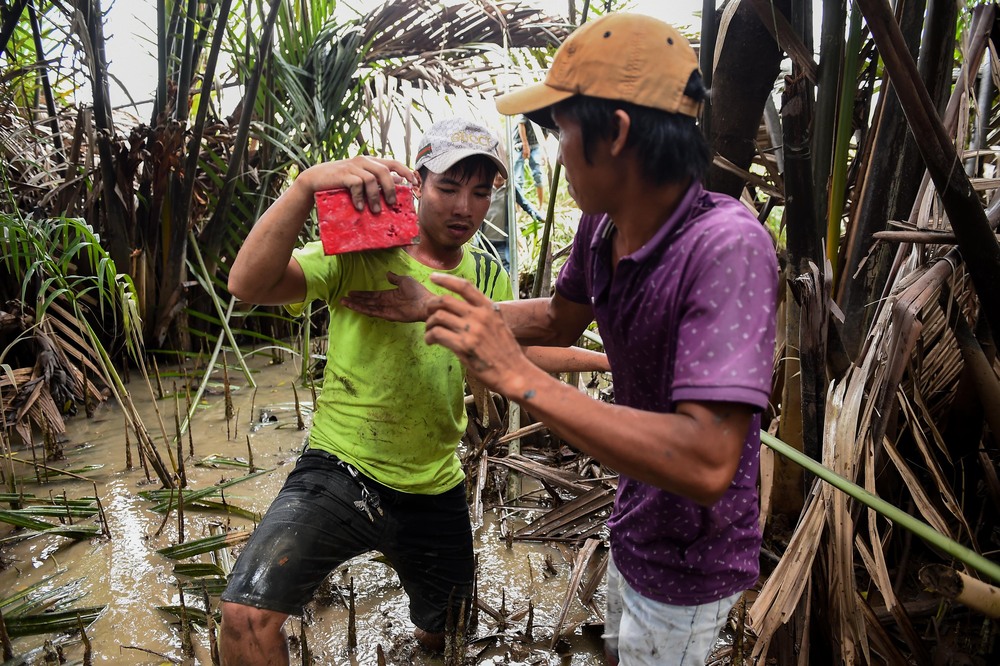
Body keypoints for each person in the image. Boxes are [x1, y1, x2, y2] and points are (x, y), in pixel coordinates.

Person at [345, 14, 778, 666]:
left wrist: (518, 378)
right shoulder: (603, 229)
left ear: (617, 134)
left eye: (563, 134)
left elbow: (708, 461)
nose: (556, 153)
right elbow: (556, 318)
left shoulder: (724, 247)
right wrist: (430, 302)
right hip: (635, 522)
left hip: (693, 558)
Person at [220, 117, 608, 666]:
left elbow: (518, 349)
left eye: (480, 192)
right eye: (448, 187)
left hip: (435, 485)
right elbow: (249, 285)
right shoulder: (362, 250)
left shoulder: (485, 274)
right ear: (417, 183)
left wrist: (609, 359)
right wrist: (306, 186)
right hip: (343, 467)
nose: (464, 207)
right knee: (246, 617)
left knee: (445, 638)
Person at [481, 172, 545, 272]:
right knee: (483, 270)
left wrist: (539, 217)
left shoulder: (511, 189)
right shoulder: (485, 188)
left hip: (502, 242)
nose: (499, 176)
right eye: (496, 173)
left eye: (502, 174)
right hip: (484, 241)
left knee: (504, 270)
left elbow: (525, 204)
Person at [513, 114, 546, 207]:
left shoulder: (546, 113)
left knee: (538, 175)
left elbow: (545, 134)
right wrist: (525, 145)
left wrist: (543, 152)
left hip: (535, 145)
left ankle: (541, 207)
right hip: (519, 143)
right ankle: (518, 209)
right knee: (518, 178)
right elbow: (521, 123)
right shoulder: (527, 108)